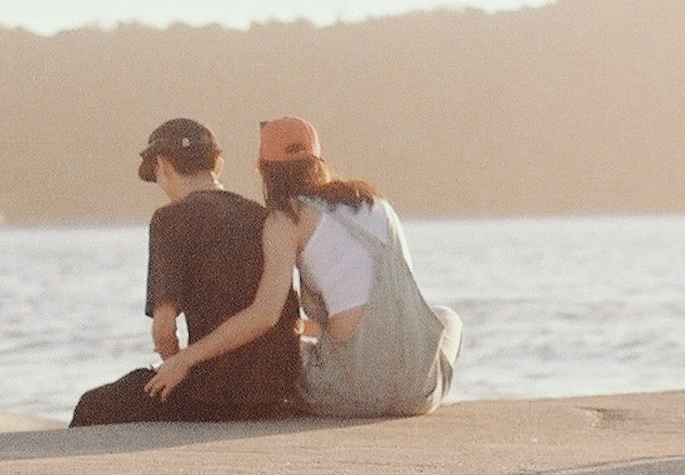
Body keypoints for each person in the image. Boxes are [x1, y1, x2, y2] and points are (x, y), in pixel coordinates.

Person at [145, 117, 462, 420]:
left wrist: (187, 358)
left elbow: (265, 315)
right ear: (318, 160)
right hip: (418, 390)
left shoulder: (287, 219)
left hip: (348, 393)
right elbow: (377, 310)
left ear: (263, 169)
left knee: (281, 354)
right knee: (448, 317)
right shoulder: (377, 204)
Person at [69, 118, 301, 427]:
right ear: (217, 164)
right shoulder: (264, 218)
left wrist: (176, 365)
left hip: (216, 399)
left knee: (93, 405)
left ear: (163, 166)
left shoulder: (170, 220)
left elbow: (164, 332)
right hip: (275, 393)